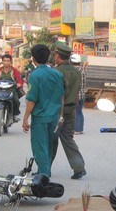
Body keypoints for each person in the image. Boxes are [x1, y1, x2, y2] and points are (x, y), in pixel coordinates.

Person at [22, 44, 64, 177]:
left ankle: (44, 177)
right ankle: (44, 172)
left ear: (33, 58)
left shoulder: (34, 75)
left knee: (40, 147)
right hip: (54, 116)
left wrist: (25, 118)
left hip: (40, 117)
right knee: (49, 147)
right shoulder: (57, 74)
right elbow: (61, 96)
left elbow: (32, 100)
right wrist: (61, 115)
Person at [51, 42, 86, 179]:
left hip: (57, 111)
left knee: (51, 140)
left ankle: (45, 169)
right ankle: (79, 168)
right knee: (68, 139)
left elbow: (57, 94)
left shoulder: (56, 72)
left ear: (58, 56)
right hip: (71, 109)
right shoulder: (77, 72)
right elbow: (77, 93)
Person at [0, 53, 23, 118]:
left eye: (8, 61)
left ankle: (14, 114)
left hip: (11, 89)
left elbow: (19, 78)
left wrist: (19, 83)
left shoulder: (14, 70)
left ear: (10, 62)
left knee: (16, 101)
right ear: (2, 61)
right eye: (4, 61)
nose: (6, 62)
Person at [71, 53, 86, 134]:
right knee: (80, 112)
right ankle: (80, 129)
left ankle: (76, 129)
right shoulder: (82, 70)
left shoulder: (73, 70)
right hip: (82, 94)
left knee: (76, 112)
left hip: (76, 95)